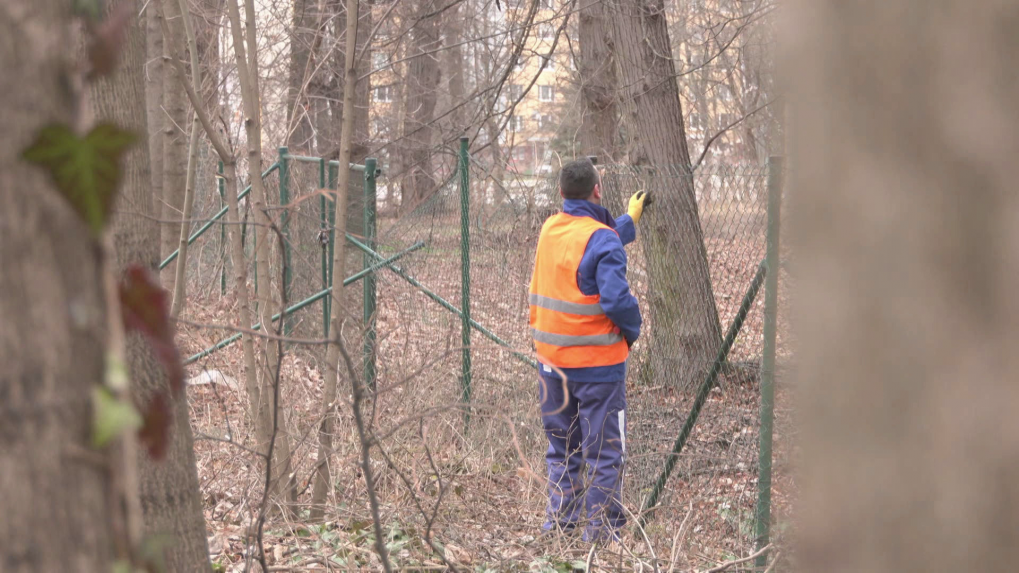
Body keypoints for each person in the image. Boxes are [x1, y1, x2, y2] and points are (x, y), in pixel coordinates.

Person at [528, 158, 647, 544]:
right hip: (598, 366)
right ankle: (600, 535)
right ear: (597, 190)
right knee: (605, 452)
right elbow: (615, 297)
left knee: (562, 449)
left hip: (551, 364)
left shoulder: (550, 229)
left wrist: (629, 219)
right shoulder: (603, 238)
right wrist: (632, 331)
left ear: (561, 193)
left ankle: (559, 526)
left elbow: (592, 240)